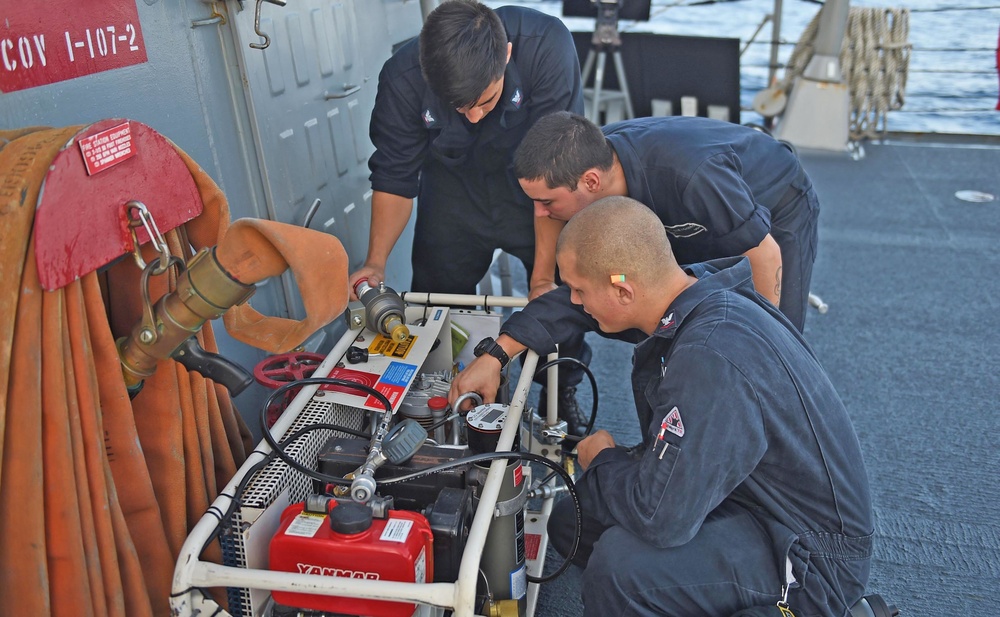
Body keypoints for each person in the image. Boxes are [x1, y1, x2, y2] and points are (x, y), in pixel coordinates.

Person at [449, 196, 874, 617]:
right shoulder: (694, 294)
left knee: (619, 570)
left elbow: (661, 518)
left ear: (623, 290)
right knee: (572, 521)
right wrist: (499, 352)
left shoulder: (709, 355)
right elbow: (577, 307)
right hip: (746, 491)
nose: (575, 302)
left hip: (807, 553)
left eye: (579, 290)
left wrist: (604, 461)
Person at [351, 0, 591, 433]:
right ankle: (456, 395)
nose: (475, 115)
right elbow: (394, 175)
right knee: (438, 303)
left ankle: (562, 386)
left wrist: (540, 279)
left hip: (536, 190)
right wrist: (375, 263)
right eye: (461, 107)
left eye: (484, 101)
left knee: (561, 295)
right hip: (452, 193)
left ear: (507, 55)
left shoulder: (546, 46)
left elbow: (556, 175)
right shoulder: (403, 77)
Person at [514, 111, 820, 332]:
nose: (540, 212)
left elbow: (765, 254)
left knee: (779, 337)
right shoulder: (579, 162)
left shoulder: (691, 178)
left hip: (778, 204)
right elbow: (549, 207)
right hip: (695, 208)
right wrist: (541, 280)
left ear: (591, 182)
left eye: (546, 202)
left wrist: (762, 341)